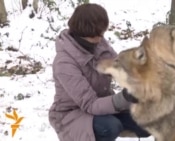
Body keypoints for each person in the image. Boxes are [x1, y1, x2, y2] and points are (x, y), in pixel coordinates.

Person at [48, 3, 150, 141]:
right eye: (99, 34)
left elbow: (118, 66)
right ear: (86, 33)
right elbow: (90, 104)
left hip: (102, 106)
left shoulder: (97, 42)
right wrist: (125, 98)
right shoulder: (64, 63)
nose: (102, 37)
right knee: (109, 127)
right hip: (71, 116)